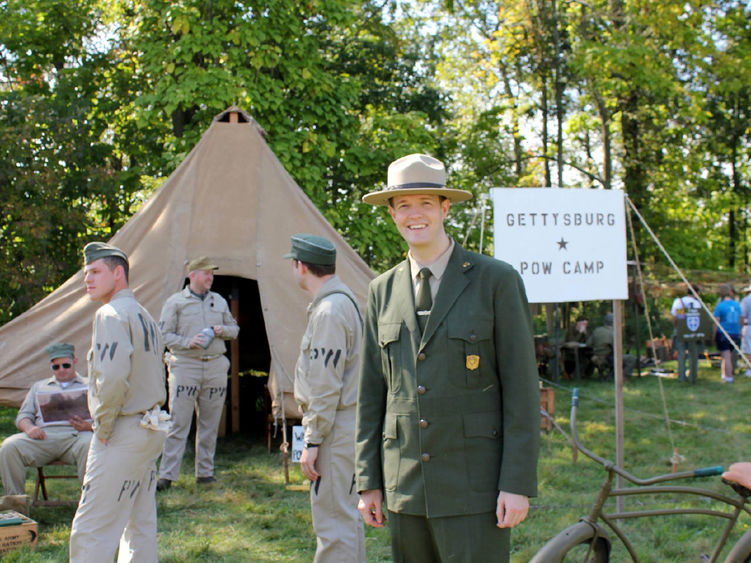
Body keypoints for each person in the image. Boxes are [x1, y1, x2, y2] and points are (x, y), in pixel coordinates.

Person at [355, 154, 540, 562]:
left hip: (475, 485)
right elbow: (372, 392)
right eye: (403, 205)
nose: (414, 215)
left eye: (425, 203)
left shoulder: (495, 280)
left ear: (445, 208)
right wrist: (369, 481)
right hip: (406, 484)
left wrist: (517, 482)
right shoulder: (381, 291)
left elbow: (523, 390)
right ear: (391, 213)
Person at [69, 242, 168, 563]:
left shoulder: (110, 314)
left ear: (118, 273)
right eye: (86, 273)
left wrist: (103, 426)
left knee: (91, 530)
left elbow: (112, 378)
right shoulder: (145, 316)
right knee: (139, 526)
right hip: (150, 428)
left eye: (95, 271)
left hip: (122, 430)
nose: (88, 279)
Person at [284, 233, 366, 563]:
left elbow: (325, 384)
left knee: (333, 525)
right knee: (345, 519)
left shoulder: (330, 311)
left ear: (300, 266)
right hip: (344, 423)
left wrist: (313, 441)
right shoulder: (342, 302)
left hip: (334, 428)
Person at [156, 257, 239, 491]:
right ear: (192, 275)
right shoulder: (175, 303)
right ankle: (167, 475)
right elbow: (163, 335)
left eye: (212, 274)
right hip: (186, 365)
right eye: (206, 274)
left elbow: (235, 330)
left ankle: (205, 472)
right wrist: (187, 342)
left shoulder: (219, 302)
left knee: (210, 422)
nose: (210, 278)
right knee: (178, 421)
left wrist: (222, 330)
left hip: (214, 365)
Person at [0, 343, 92, 512]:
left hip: (77, 436)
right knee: (9, 446)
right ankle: (16, 510)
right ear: (51, 366)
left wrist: (89, 426)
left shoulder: (90, 384)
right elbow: (23, 416)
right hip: (44, 437)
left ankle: (91, 505)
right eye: (56, 367)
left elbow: (104, 416)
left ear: (75, 361)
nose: (61, 370)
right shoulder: (39, 387)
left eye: (66, 365)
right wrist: (29, 428)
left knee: (90, 444)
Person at [587, 313, 637, 379]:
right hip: (608, 359)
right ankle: (624, 377)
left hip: (595, 358)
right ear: (614, 323)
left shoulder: (597, 330)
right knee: (631, 358)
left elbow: (588, 344)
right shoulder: (614, 333)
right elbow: (617, 349)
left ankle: (613, 374)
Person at [670, 284, 703, 383]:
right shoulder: (697, 303)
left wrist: (675, 327)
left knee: (681, 353)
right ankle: (693, 376)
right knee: (693, 353)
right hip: (693, 331)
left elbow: (676, 317)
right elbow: (700, 318)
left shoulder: (679, 302)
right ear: (696, 293)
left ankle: (681, 377)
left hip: (680, 329)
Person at [713, 283, 742, 383]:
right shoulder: (737, 305)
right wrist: (740, 330)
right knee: (729, 355)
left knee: (726, 356)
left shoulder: (720, 306)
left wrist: (713, 335)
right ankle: (724, 374)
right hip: (735, 333)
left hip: (724, 333)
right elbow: (741, 319)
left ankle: (729, 377)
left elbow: (716, 322)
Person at [741, 283, 751, 377]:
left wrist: (740, 327)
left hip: (749, 326)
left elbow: (742, 315)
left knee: (748, 348)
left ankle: (749, 369)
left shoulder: (746, 300)